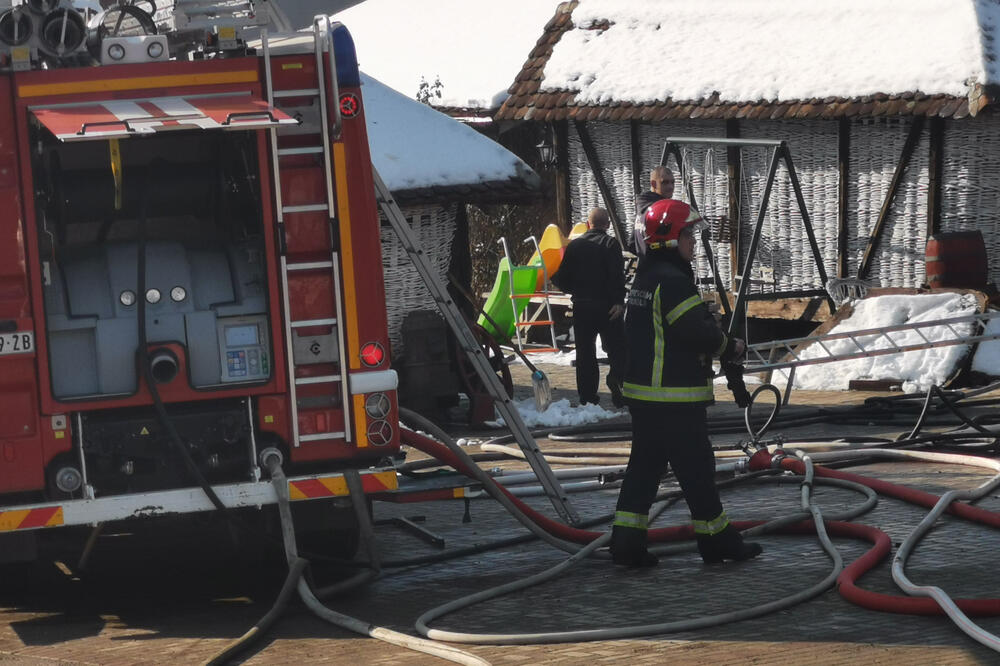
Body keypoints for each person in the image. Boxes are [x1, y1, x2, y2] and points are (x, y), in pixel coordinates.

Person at [609, 198, 762, 568]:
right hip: (674, 398)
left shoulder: (646, 277)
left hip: (646, 398)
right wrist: (730, 345)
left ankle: (626, 542)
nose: (693, 242)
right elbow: (696, 333)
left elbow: (668, 328)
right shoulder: (674, 281)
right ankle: (717, 540)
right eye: (687, 235)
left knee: (643, 471)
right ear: (667, 239)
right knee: (697, 471)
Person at [551, 207, 627, 408]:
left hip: (582, 306)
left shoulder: (575, 246)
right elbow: (617, 276)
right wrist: (619, 301)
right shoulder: (610, 244)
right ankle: (617, 383)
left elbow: (562, 278)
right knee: (617, 349)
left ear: (587, 224)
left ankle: (587, 397)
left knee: (585, 353)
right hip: (608, 307)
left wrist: (576, 291)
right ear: (607, 225)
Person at [627, 165, 675, 255]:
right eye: (665, 182)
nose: (670, 186)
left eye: (672, 182)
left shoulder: (644, 208)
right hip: (657, 259)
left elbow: (632, 244)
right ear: (653, 184)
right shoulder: (658, 209)